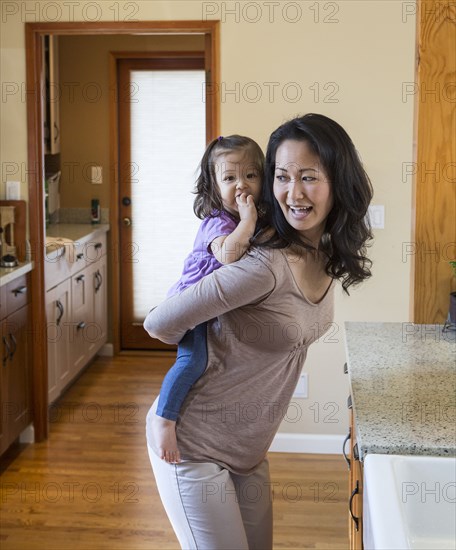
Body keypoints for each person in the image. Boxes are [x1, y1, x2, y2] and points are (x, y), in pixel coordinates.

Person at [144, 113, 373, 550]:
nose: (293, 192)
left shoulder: (320, 254)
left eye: (309, 176)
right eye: (282, 176)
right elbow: (159, 323)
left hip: (248, 451)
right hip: (194, 447)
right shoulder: (261, 266)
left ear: (337, 182)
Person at [152, 135, 264, 464]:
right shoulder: (218, 222)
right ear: (214, 187)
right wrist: (248, 221)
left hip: (210, 307)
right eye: (230, 178)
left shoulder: (248, 220)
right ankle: (164, 418)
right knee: (193, 361)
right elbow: (229, 255)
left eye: (251, 176)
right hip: (190, 306)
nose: (241, 185)